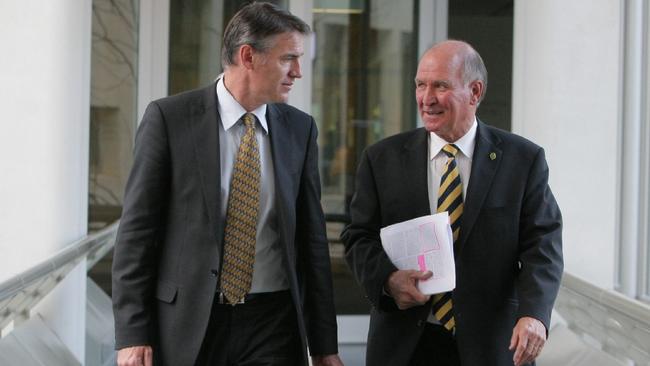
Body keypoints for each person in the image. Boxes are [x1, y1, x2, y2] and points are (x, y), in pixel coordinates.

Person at [112, 3, 344, 366]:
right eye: (289, 58)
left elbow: (312, 242)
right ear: (248, 56)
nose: (298, 72)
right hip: (190, 322)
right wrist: (132, 334)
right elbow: (136, 235)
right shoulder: (170, 120)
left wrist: (325, 347)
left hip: (273, 322)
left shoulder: (300, 129)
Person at [341, 40, 563, 366]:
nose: (426, 98)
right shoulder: (381, 159)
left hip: (491, 346)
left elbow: (542, 244)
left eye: (440, 86)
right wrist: (387, 279)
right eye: (420, 85)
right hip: (405, 346)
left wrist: (535, 314)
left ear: (475, 92)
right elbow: (358, 236)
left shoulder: (523, 160)